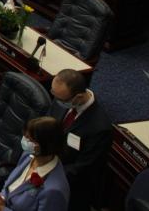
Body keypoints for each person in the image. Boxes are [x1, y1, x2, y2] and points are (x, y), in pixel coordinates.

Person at [50, 69, 111, 211]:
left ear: (77, 98)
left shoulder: (100, 128)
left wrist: (48, 173)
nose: (57, 101)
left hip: (69, 185)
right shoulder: (61, 96)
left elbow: (82, 168)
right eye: (54, 94)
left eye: (61, 100)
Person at [0, 117, 70, 211]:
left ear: (45, 145)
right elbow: (11, 186)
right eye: (25, 136)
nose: (25, 141)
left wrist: (2, 209)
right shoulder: (28, 155)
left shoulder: (55, 190)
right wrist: (0, 198)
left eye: (30, 139)